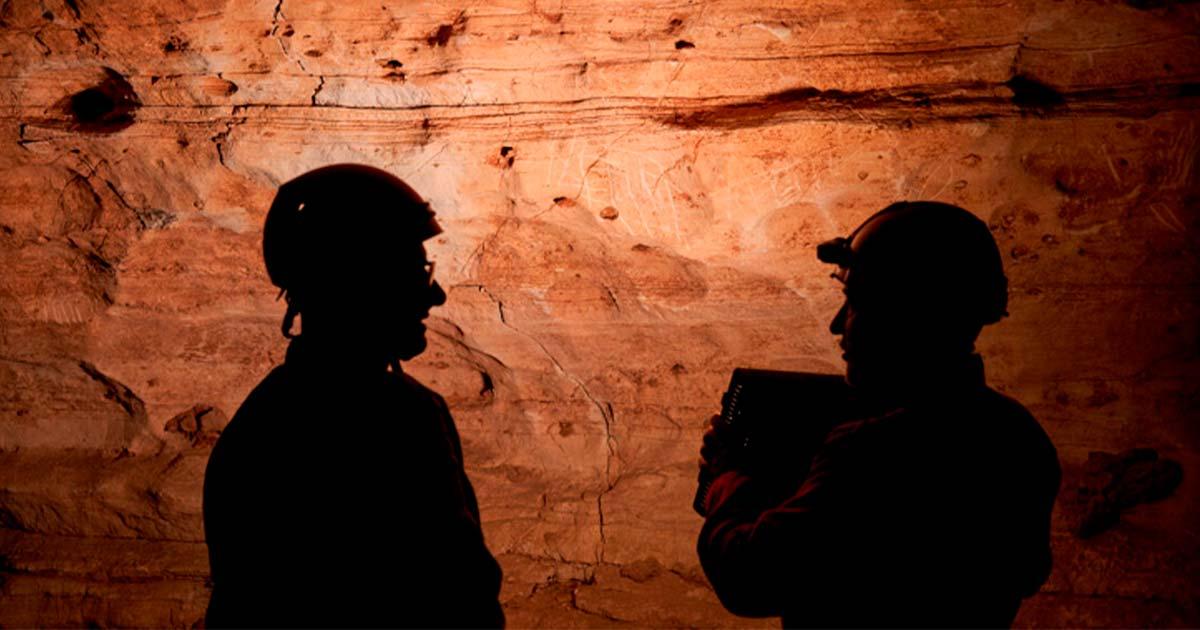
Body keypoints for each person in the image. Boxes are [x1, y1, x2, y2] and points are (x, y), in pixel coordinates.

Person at [696, 201, 1061, 628]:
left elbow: (748, 576)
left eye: (854, 303)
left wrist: (727, 480)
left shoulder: (870, 450)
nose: (837, 325)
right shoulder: (1019, 435)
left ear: (903, 314)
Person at [203, 164, 504, 628]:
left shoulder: (259, 425)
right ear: (360, 280)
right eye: (415, 273)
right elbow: (462, 600)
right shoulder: (402, 421)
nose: (436, 296)